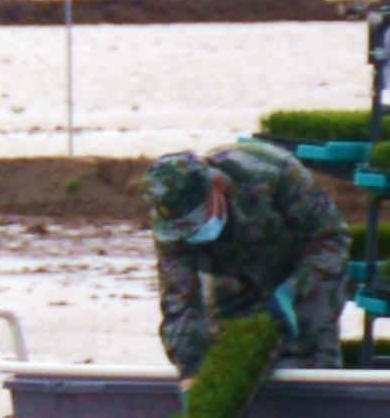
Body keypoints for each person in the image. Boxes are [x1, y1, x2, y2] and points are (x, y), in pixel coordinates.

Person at [145, 137, 349, 376]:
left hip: (301, 269)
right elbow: (179, 303)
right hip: (235, 282)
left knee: (306, 354)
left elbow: (331, 240)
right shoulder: (171, 226)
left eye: (197, 219)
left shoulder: (273, 174)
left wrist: (294, 288)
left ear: (217, 185)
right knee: (235, 362)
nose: (191, 230)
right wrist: (191, 373)